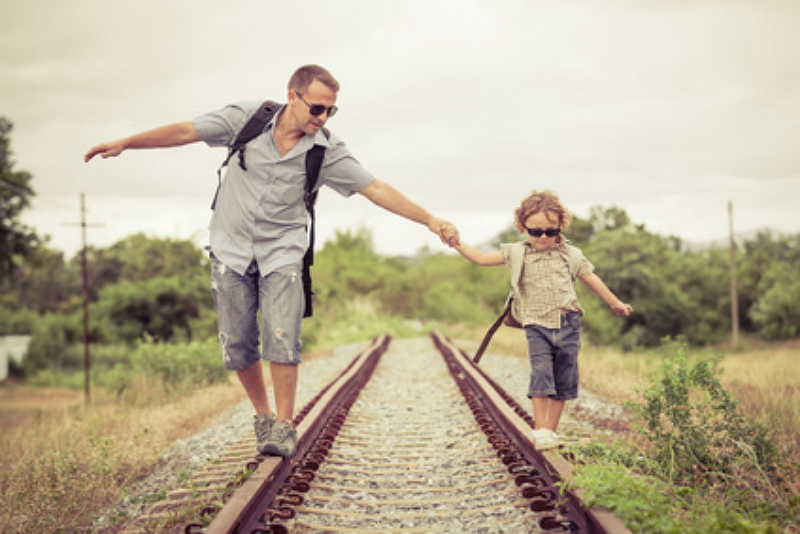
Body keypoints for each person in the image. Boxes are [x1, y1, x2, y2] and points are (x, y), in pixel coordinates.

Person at [84, 64, 460, 458]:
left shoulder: (326, 152)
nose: (323, 118)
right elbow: (185, 131)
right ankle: (262, 414)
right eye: (317, 108)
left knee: (282, 335)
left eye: (331, 111)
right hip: (230, 249)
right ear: (292, 97)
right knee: (238, 343)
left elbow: (377, 189)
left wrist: (432, 220)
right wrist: (126, 142)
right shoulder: (244, 120)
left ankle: (283, 424)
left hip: (283, 251)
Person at [453, 190, 632, 450]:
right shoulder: (516, 252)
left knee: (564, 376)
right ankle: (540, 430)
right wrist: (456, 242)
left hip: (568, 322)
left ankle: (550, 430)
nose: (544, 238)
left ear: (561, 226)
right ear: (521, 227)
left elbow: (592, 278)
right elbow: (480, 258)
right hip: (536, 325)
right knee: (541, 373)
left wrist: (615, 302)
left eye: (551, 231)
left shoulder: (571, 254)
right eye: (535, 232)